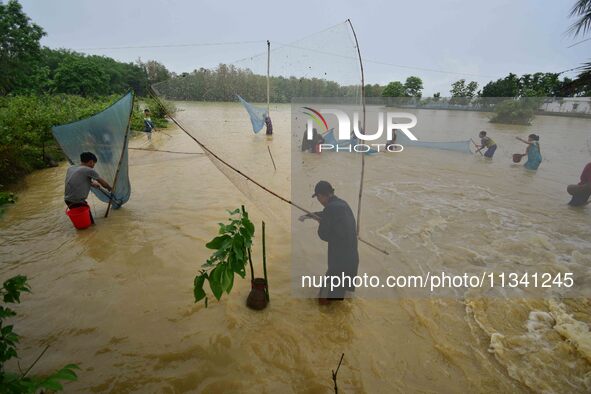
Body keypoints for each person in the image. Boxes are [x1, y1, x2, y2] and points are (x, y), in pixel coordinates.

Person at [299, 181, 359, 304]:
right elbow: (327, 215)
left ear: (321, 196)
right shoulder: (342, 204)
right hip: (352, 261)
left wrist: (320, 223)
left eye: (318, 198)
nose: (319, 201)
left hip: (338, 264)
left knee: (323, 301)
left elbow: (324, 235)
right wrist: (310, 215)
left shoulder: (330, 209)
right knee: (338, 302)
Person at [64, 152, 113, 224]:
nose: (93, 166)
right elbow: (103, 183)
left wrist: (92, 184)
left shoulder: (71, 168)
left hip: (68, 200)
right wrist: (110, 188)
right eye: (94, 164)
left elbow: (76, 181)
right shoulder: (88, 170)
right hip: (77, 201)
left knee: (82, 223)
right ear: (91, 162)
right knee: (90, 225)